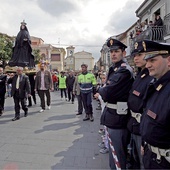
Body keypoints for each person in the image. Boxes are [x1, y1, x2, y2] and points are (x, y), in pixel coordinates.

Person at [98, 38, 134, 169]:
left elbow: (107, 92)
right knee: (114, 155)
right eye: (111, 52)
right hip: (112, 116)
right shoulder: (115, 69)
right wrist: (104, 88)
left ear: (124, 53)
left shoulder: (124, 70)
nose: (113, 54)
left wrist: (99, 89)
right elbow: (107, 89)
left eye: (116, 51)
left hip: (118, 118)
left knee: (118, 156)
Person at [140, 40, 170, 169]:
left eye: (152, 60)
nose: (147, 65)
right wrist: (144, 143)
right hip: (151, 155)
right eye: (147, 61)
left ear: (168, 61)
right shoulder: (156, 85)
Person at [127, 40, 153, 169]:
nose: (136, 58)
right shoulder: (140, 74)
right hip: (133, 125)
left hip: (142, 127)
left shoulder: (152, 77)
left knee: (143, 163)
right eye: (135, 55)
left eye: (140, 55)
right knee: (134, 159)